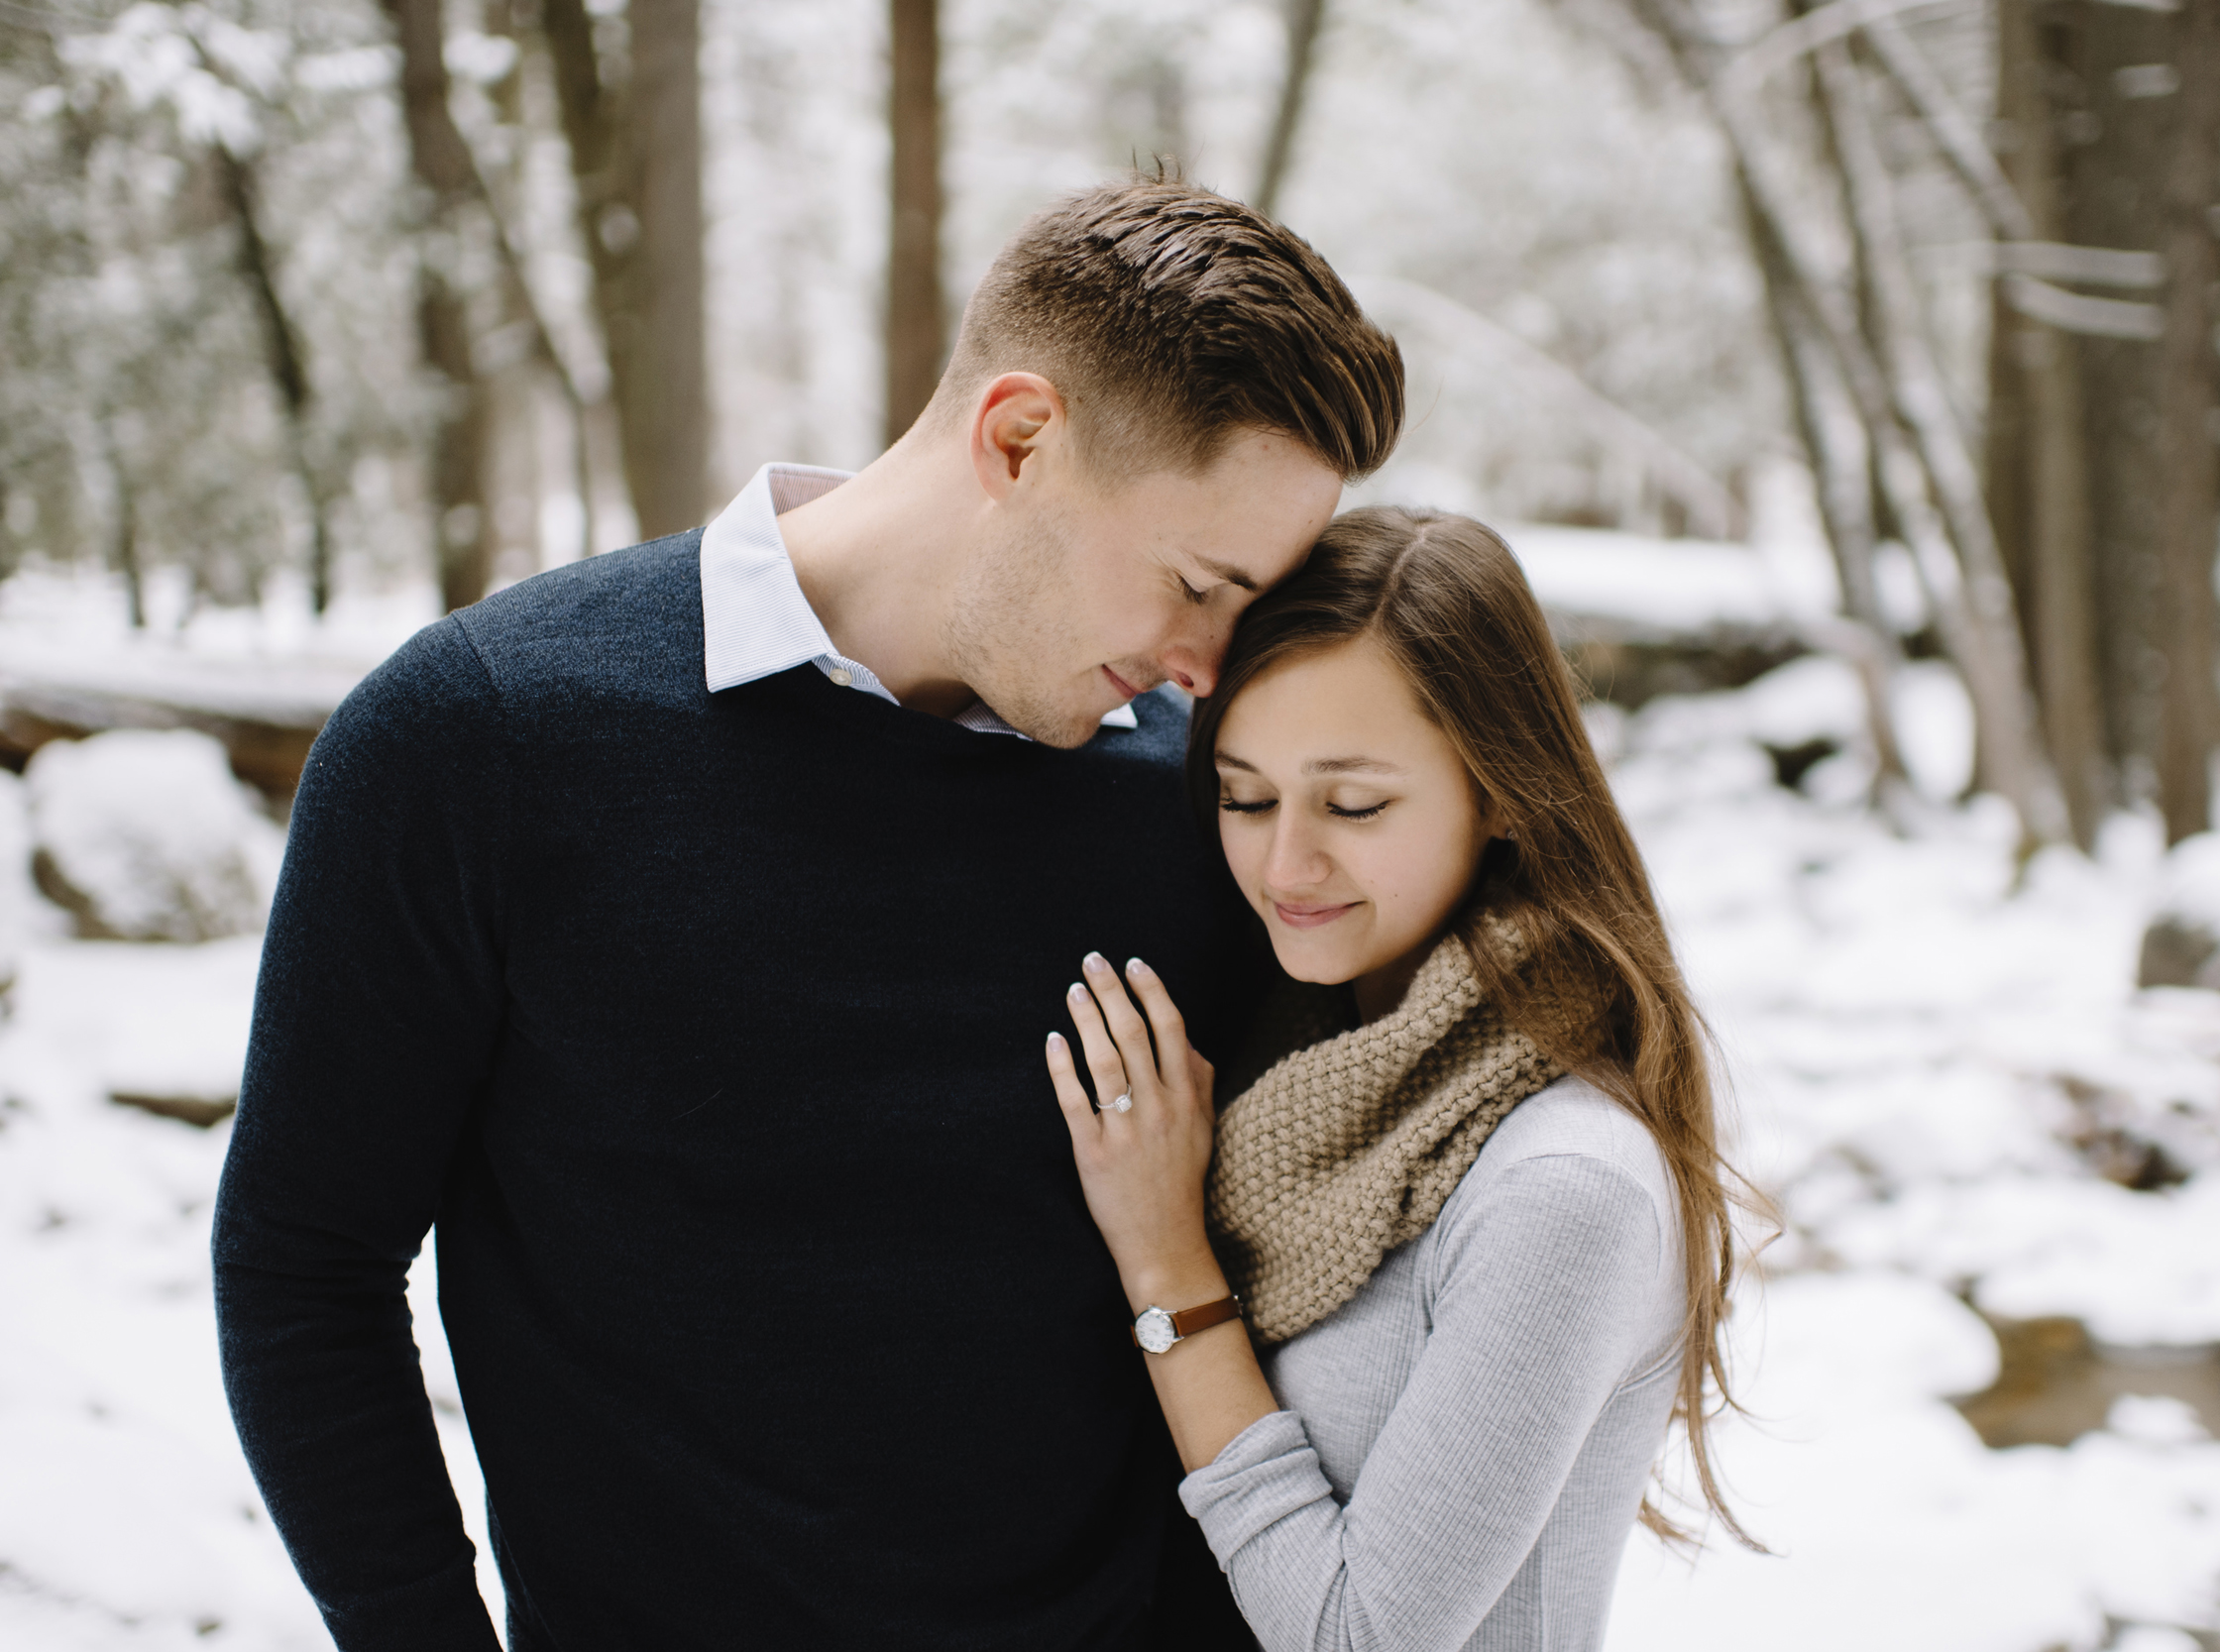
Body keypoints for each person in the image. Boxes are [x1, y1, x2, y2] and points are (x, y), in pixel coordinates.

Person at [211, 178, 1403, 1649]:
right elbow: (302, 1264)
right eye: (1199, 584)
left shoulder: (1201, 808)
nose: (1212, 667)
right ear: (1019, 438)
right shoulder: (482, 735)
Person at [1042, 506, 1760, 1651]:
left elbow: (1357, 1633)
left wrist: (1168, 1261)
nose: (1285, 864)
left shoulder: (1564, 1184)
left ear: (1505, 792)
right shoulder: (1297, 1070)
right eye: (1244, 794)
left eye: (1354, 803)